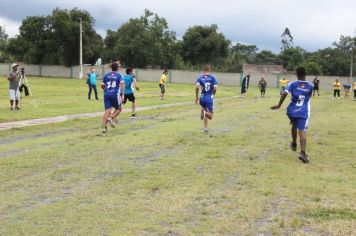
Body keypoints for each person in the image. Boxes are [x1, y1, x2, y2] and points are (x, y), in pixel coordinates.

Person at [271, 66, 313, 163]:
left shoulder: (292, 84)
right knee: (302, 130)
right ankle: (302, 153)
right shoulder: (310, 86)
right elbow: (309, 97)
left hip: (291, 110)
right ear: (305, 74)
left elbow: (285, 93)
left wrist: (279, 105)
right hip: (303, 111)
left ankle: (294, 143)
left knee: (294, 123)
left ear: (297, 74)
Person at [101, 62, 125, 133]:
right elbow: (122, 84)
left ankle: (104, 128)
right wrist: (123, 94)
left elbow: (102, 86)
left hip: (106, 94)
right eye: (119, 66)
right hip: (115, 94)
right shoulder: (120, 75)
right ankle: (111, 118)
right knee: (119, 108)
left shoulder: (106, 75)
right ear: (117, 68)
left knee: (107, 110)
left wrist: (106, 89)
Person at [195, 65, 218, 134]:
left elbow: (197, 87)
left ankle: (205, 129)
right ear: (209, 70)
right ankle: (204, 112)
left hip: (202, 98)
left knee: (205, 110)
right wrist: (213, 94)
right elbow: (216, 88)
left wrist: (196, 97)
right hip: (209, 99)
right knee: (210, 116)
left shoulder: (200, 78)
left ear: (204, 70)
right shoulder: (213, 78)